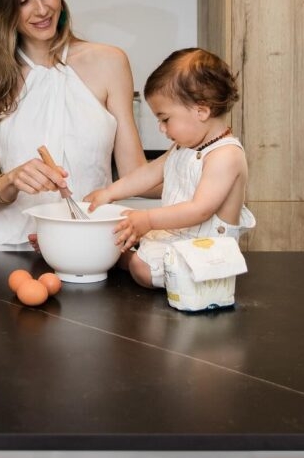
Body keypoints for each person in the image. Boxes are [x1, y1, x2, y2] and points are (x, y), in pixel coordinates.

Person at [0, 0, 147, 248]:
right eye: (22, 1)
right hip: (11, 250)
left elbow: (135, 173)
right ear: (3, 9)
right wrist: (11, 181)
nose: (41, 9)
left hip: (91, 246)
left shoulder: (109, 63)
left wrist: (203, 160)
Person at [85, 47, 255, 288]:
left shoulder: (225, 155)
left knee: (142, 268)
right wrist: (110, 192)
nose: (161, 128)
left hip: (207, 254)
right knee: (120, 236)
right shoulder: (183, 147)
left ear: (201, 111)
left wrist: (148, 219)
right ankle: (126, 259)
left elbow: (200, 210)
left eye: (165, 119)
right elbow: (148, 174)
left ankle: (130, 262)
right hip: (179, 238)